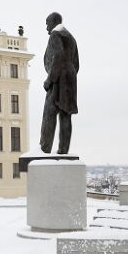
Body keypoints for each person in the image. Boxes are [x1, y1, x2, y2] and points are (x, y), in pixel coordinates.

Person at [40, 12, 79, 154]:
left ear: (54, 21)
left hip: (57, 80)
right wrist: (69, 77)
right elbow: (76, 63)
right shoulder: (71, 38)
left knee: (49, 113)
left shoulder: (55, 35)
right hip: (70, 80)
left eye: (47, 23)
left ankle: (44, 149)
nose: (46, 27)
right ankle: (63, 150)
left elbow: (58, 56)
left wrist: (50, 79)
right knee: (65, 114)